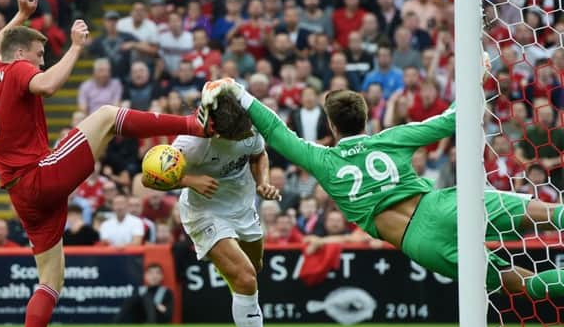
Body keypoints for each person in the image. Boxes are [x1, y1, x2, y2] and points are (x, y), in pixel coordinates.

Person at [0, 0, 212, 327]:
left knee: (51, 278)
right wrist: (74, 48)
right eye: (38, 56)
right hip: (38, 174)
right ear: (20, 55)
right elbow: (48, 86)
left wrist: (20, 14)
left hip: (20, 194)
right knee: (105, 115)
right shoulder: (18, 68)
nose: (40, 62)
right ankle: (195, 124)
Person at [201, 79, 564, 306]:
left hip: (419, 242)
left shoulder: (322, 160)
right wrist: (476, 75)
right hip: (442, 204)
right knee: (550, 214)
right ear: (368, 117)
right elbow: (454, 118)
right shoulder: (390, 139)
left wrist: (239, 92)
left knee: (524, 285)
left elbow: (278, 132)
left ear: (330, 125)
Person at [142, 93, 285, 327]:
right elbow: (148, 178)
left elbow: (259, 154)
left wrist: (264, 182)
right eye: (238, 136)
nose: (246, 136)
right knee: (246, 277)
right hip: (204, 212)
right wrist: (188, 179)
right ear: (217, 130)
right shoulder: (191, 144)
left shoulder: (247, 125)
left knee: (253, 269)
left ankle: (228, 268)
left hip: (243, 208)